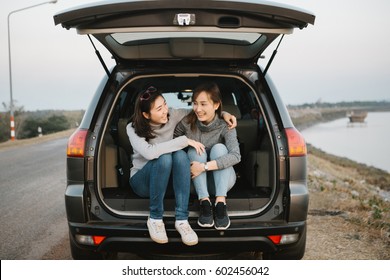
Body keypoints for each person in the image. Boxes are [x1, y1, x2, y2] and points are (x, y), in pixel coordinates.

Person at [126, 85, 236, 245]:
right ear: (146, 114)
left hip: (168, 181)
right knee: (164, 158)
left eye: (164, 104)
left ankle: (182, 220)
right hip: (143, 181)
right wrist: (184, 141)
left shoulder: (174, 114)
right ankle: (155, 218)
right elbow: (150, 153)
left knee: (178, 155)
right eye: (159, 109)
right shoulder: (133, 128)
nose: (165, 110)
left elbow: (202, 113)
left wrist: (225, 114)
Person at [174, 82, 241, 230]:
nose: (198, 109)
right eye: (195, 103)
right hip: (197, 184)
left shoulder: (226, 125)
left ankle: (220, 203)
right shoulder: (186, 123)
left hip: (223, 182)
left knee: (219, 149)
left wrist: (203, 167)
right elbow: (174, 143)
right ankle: (204, 203)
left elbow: (236, 156)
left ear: (216, 105)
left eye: (203, 104)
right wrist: (187, 142)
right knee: (195, 150)